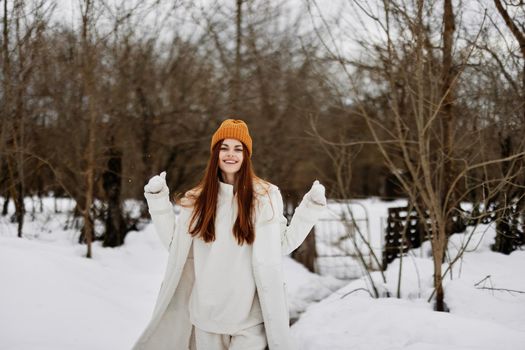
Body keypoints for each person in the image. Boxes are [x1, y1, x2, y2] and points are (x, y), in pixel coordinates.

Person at [132, 119, 327, 350]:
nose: (230, 154)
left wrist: (310, 209)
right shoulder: (196, 200)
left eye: (238, 148)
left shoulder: (265, 196)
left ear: (246, 155)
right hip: (207, 318)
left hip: (251, 320)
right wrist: (158, 202)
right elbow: (176, 247)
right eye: (224, 148)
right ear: (215, 154)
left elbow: (281, 245)